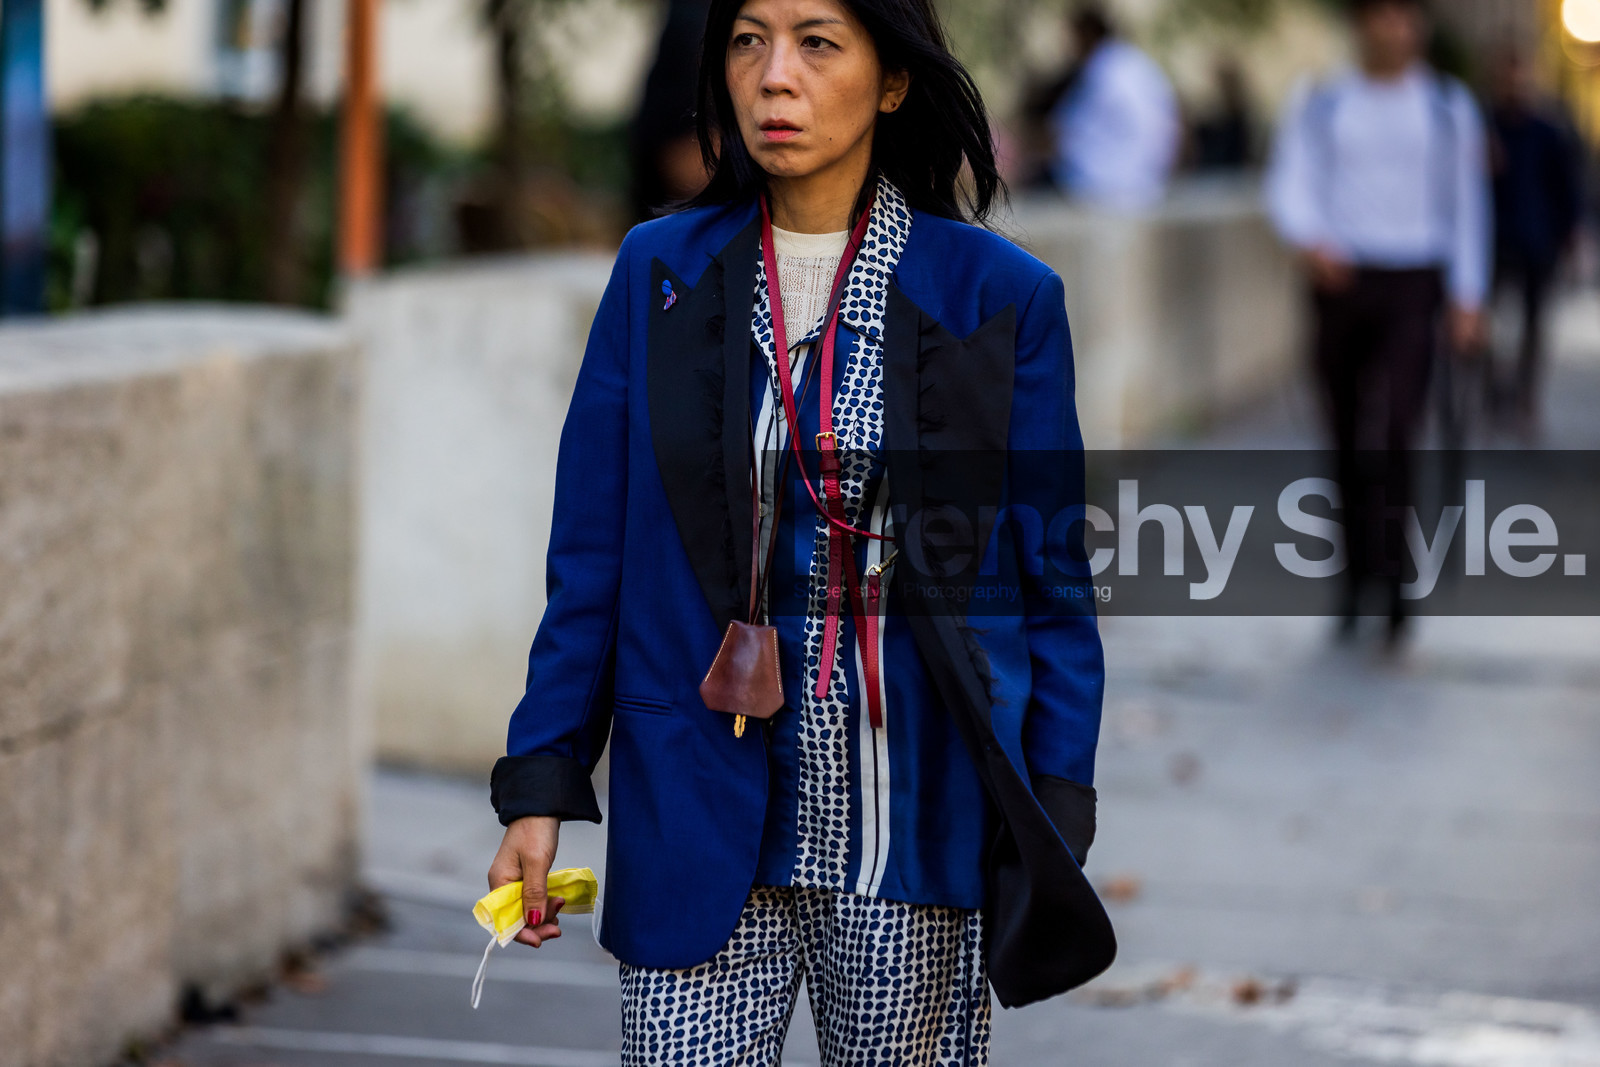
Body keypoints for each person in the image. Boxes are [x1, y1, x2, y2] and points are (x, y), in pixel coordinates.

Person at [483, 0, 1114, 1061]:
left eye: (817, 43)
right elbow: (591, 556)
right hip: (694, 811)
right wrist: (542, 782)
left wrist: (1052, 808)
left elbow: (1046, 580)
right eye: (747, 41)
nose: (776, 76)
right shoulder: (659, 272)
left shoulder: (999, 297)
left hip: (912, 829)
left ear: (893, 79)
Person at [1264, 0, 1491, 644]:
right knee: (1341, 433)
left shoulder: (1448, 108)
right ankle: (1354, 573)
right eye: (1381, 14)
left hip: (1415, 282)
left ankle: (1393, 579)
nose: (1393, 27)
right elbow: (1290, 183)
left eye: (1405, 15)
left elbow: (1467, 205)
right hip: (1342, 282)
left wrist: (1468, 296)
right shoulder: (1322, 102)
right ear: (1361, 25)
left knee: (1395, 429)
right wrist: (1311, 241)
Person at [1487, 48, 1583, 438]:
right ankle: (1494, 398)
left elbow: (1567, 187)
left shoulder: (1548, 131)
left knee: (1532, 326)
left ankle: (1525, 397)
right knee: (1487, 326)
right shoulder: (1484, 126)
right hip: (1493, 240)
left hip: (1536, 240)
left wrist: (1572, 236)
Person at [1048, 5, 1180, 211]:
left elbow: (1064, 134)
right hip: (1148, 184)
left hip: (1107, 190)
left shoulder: (1101, 70)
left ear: (1088, 33)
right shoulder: (1134, 63)